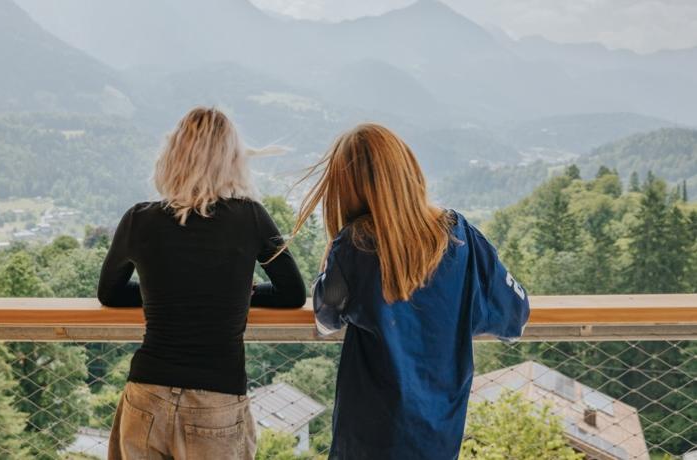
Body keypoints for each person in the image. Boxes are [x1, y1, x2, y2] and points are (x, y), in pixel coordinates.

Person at [279, 123, 530, 459]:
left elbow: (327, 318)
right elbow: (514, 317)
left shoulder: (353, 245)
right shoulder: (460, 236)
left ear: (349, 188)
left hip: (367, 437)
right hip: (437, 437)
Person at [98, 107, 306, 460]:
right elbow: (292, 294)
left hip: (147, 394)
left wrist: (162, 296)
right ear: (232, 160)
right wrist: (239, 294)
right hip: (216, 400)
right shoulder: (250, 217)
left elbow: (110, 293)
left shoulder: (139, 218)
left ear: (173, 155)